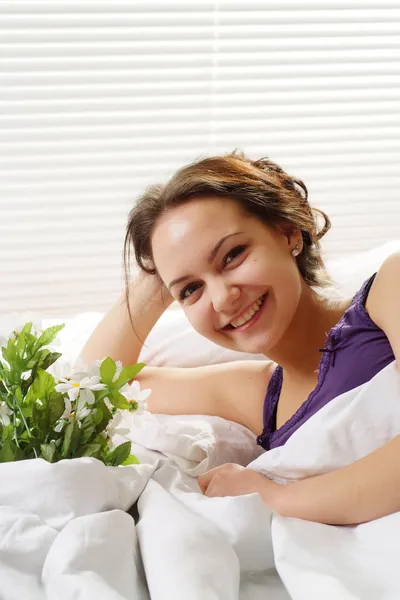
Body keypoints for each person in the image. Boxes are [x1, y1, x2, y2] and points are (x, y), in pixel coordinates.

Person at [81, 151, 400, 526]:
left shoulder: (389, 289)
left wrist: (275, 495)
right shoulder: (258, 394)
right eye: (190, 290)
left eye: (232, 255)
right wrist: (161, 269)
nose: (221, 298)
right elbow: (90, 389)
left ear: (287, 232)